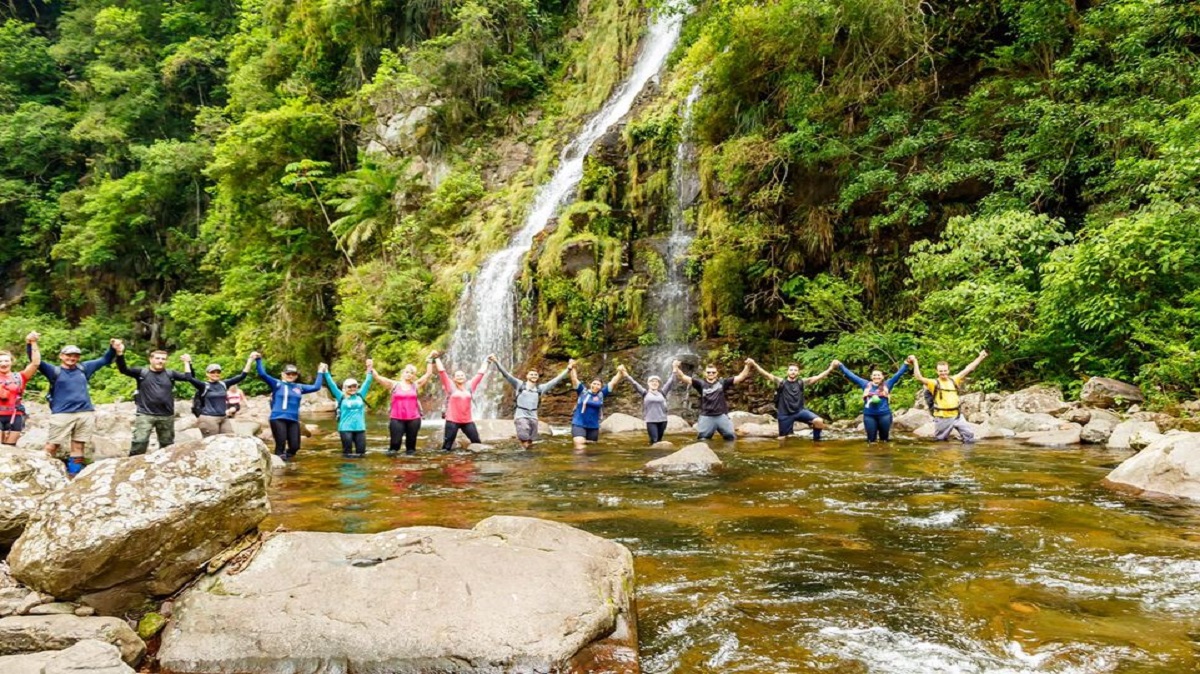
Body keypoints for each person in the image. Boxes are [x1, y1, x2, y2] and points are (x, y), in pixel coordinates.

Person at [39, 339, 118, 476]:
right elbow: (36, 362)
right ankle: (42, 470)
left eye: (75, 355)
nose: (72, 358)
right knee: (53, 444)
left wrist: (112, 347)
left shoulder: (84, 368)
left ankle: (74, 474)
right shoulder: (53, 371)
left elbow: (105, 359)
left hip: (85, 412)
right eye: (68, 355)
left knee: (78, 445)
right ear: (61, 356)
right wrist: (31, 343)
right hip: (62, 413)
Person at [115, 344, 194, 456]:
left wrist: (188, 363)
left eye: (163, 359)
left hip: (166, 415)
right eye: (157, 358)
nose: (160, 361)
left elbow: (189, 378)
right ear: (151, 359)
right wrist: (119, 354)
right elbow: (123, 369)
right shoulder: (142, 373)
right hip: (145, 414)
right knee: (140, 442)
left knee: (167, 445)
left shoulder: (170, 374)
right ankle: (132, 465)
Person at [489, 354, 573, 449]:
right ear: (527, 376)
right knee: (524, 438)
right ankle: (525, 456)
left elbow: (555, 381)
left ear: (537, 377)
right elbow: (506, 374)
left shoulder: (540, 388)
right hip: (521, 416)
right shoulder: (519, 384)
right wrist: (496, 361)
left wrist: (568, 370)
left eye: (535, 375)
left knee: (530, 441)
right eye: (531, 374)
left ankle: (525, 455)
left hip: (533, 417)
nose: (534, 376)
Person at [254, 352, 323, 459]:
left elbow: (316, 387)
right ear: (283, 374)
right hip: (278, 418)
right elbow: (263, 374)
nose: (290, 376)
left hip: (293, 419)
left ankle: (287, 465)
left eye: (293, 374)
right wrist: (258, 360)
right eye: (288, 374)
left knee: (295, 446)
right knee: (280, 445)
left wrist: (320, 371)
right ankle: (279, 465)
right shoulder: (276, 384)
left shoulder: (299, 387)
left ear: (296, 375)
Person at [748, 359, 837, 440]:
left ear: (798, 373)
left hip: (799, 411)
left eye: (795, 370)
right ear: (787, 372)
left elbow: (818, 377)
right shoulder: (781, 382)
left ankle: (816, 442)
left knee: (818, 421)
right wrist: (754, 364)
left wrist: (831, 368)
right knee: (782, 439)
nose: (793, 372)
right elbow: (766, 374)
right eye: (791, 370)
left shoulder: (801, 382)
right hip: (785, 414)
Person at [912, 351, 988, 443]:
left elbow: (968, 369)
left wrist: (980, 357)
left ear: (948, 370)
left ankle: (965, 456)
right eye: (940, 371)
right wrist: (915, 362)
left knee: (969, 437)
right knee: (940, 441)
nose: (943, 373)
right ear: (937, 371)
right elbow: (918, 377)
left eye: (945, 370)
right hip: (943, 418)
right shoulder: (933, 383)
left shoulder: (954, 379)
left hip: (957, 416)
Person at [369, 352, 436, 456]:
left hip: (413, 419)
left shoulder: (415, 385)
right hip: (396, 418)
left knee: (411, 446)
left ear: (413, 375)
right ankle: (394, 468)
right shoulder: (394, 385)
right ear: (403, 373)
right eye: (407, 372)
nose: (408, 374)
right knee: (395, 445)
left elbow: (428, 374)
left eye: (411, 373)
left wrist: (430, 359)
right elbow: (377, 377)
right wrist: (370, 366)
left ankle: (409, 467)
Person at [673, 359, 754, 441]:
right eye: (708, 372)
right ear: (705, 373)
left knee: (730, 437)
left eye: (713, 372)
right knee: (703, 439)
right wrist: (676, 367)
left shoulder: (723, 382)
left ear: (717, 373)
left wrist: (747, 366)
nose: (711, 374)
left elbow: (741, 377)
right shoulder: (700, 383)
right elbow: (682, 377)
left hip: (721, 416)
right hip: (706, 416)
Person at [836, 359, 909, 442]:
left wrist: (906, 363)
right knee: (871, 440)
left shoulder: (888, 384)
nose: (876, 377)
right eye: (874, 375)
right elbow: (852, 376)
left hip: (884, 415)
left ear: (882, 377)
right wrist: (840, 365)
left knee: (884, 440)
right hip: (869, 416)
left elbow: (898, 374)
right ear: (871, 377)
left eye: (878, 375)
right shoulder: (865, 384)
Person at [181, 354, 254, 436]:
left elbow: (242, 376)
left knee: (230, 438)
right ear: (207, 374)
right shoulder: (203, 385)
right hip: (208, 419)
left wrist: (250, 360)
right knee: (211, 443)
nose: (215, 374)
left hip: (223, 417)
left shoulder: (224, 384)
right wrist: (186, 362)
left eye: (218, 372)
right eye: (212, 372)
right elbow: (189, 378)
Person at [435, 354, 488, 452]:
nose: (460, 377)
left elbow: (480, 374)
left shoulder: (470, 386)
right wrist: (436, 358)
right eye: (457, 376)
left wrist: (487, 361)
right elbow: (442, 372)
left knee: (476, 442)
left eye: (462, 375)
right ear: (454, 379)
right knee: (447, 447)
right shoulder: (450, 386)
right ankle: (445, 465)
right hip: (452, 421)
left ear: (465, 378)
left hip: (467, 421)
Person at [320, 362, 373, 458]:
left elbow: (368, 382)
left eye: (354, 386)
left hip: (360, 428)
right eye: (349, 386)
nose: (352, 388)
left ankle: (360, 471)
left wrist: (370, 367)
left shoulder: (360, 395)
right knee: (347, 453)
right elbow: (331, 384)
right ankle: (347, 471)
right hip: (345, 428)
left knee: (361, 453)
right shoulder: (341, 396)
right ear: (344, 388)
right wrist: (326, 372)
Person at [568, 364, 623, 451]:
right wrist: (573, 368)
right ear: (590, 384)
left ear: (601, 387)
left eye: (598, 384)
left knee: (592, 449)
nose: (596, 385)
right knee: (580, 445)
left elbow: (613, 382)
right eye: (594, 383)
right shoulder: (582, 391)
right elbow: (574, 379)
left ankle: (592, 464)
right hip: (579, 423)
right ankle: (579, 463)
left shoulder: (602, 394)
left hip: (593, 426)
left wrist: (620, 372)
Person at [0, 332, 41, 445]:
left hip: (15, 415)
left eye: (6, 360)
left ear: (11, 362)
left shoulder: (20, 377)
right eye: (1, 361)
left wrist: (33, 342)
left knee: (10, 447)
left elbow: (35, 363)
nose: (3, 363)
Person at [619, 364, 675, 444]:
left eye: (656, 382)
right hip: (651, 421)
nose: (654, 383)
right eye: (652, 381)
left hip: (663, 420)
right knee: (654, 440)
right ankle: (652, 455)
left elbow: (670, 382)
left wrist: (674, 370)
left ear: (659, 384)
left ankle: (658, 455)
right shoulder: (645, 393)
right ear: (648, 383)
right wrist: (627, 375)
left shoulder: (662, 392)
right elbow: (635, 384)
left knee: (659, 440)